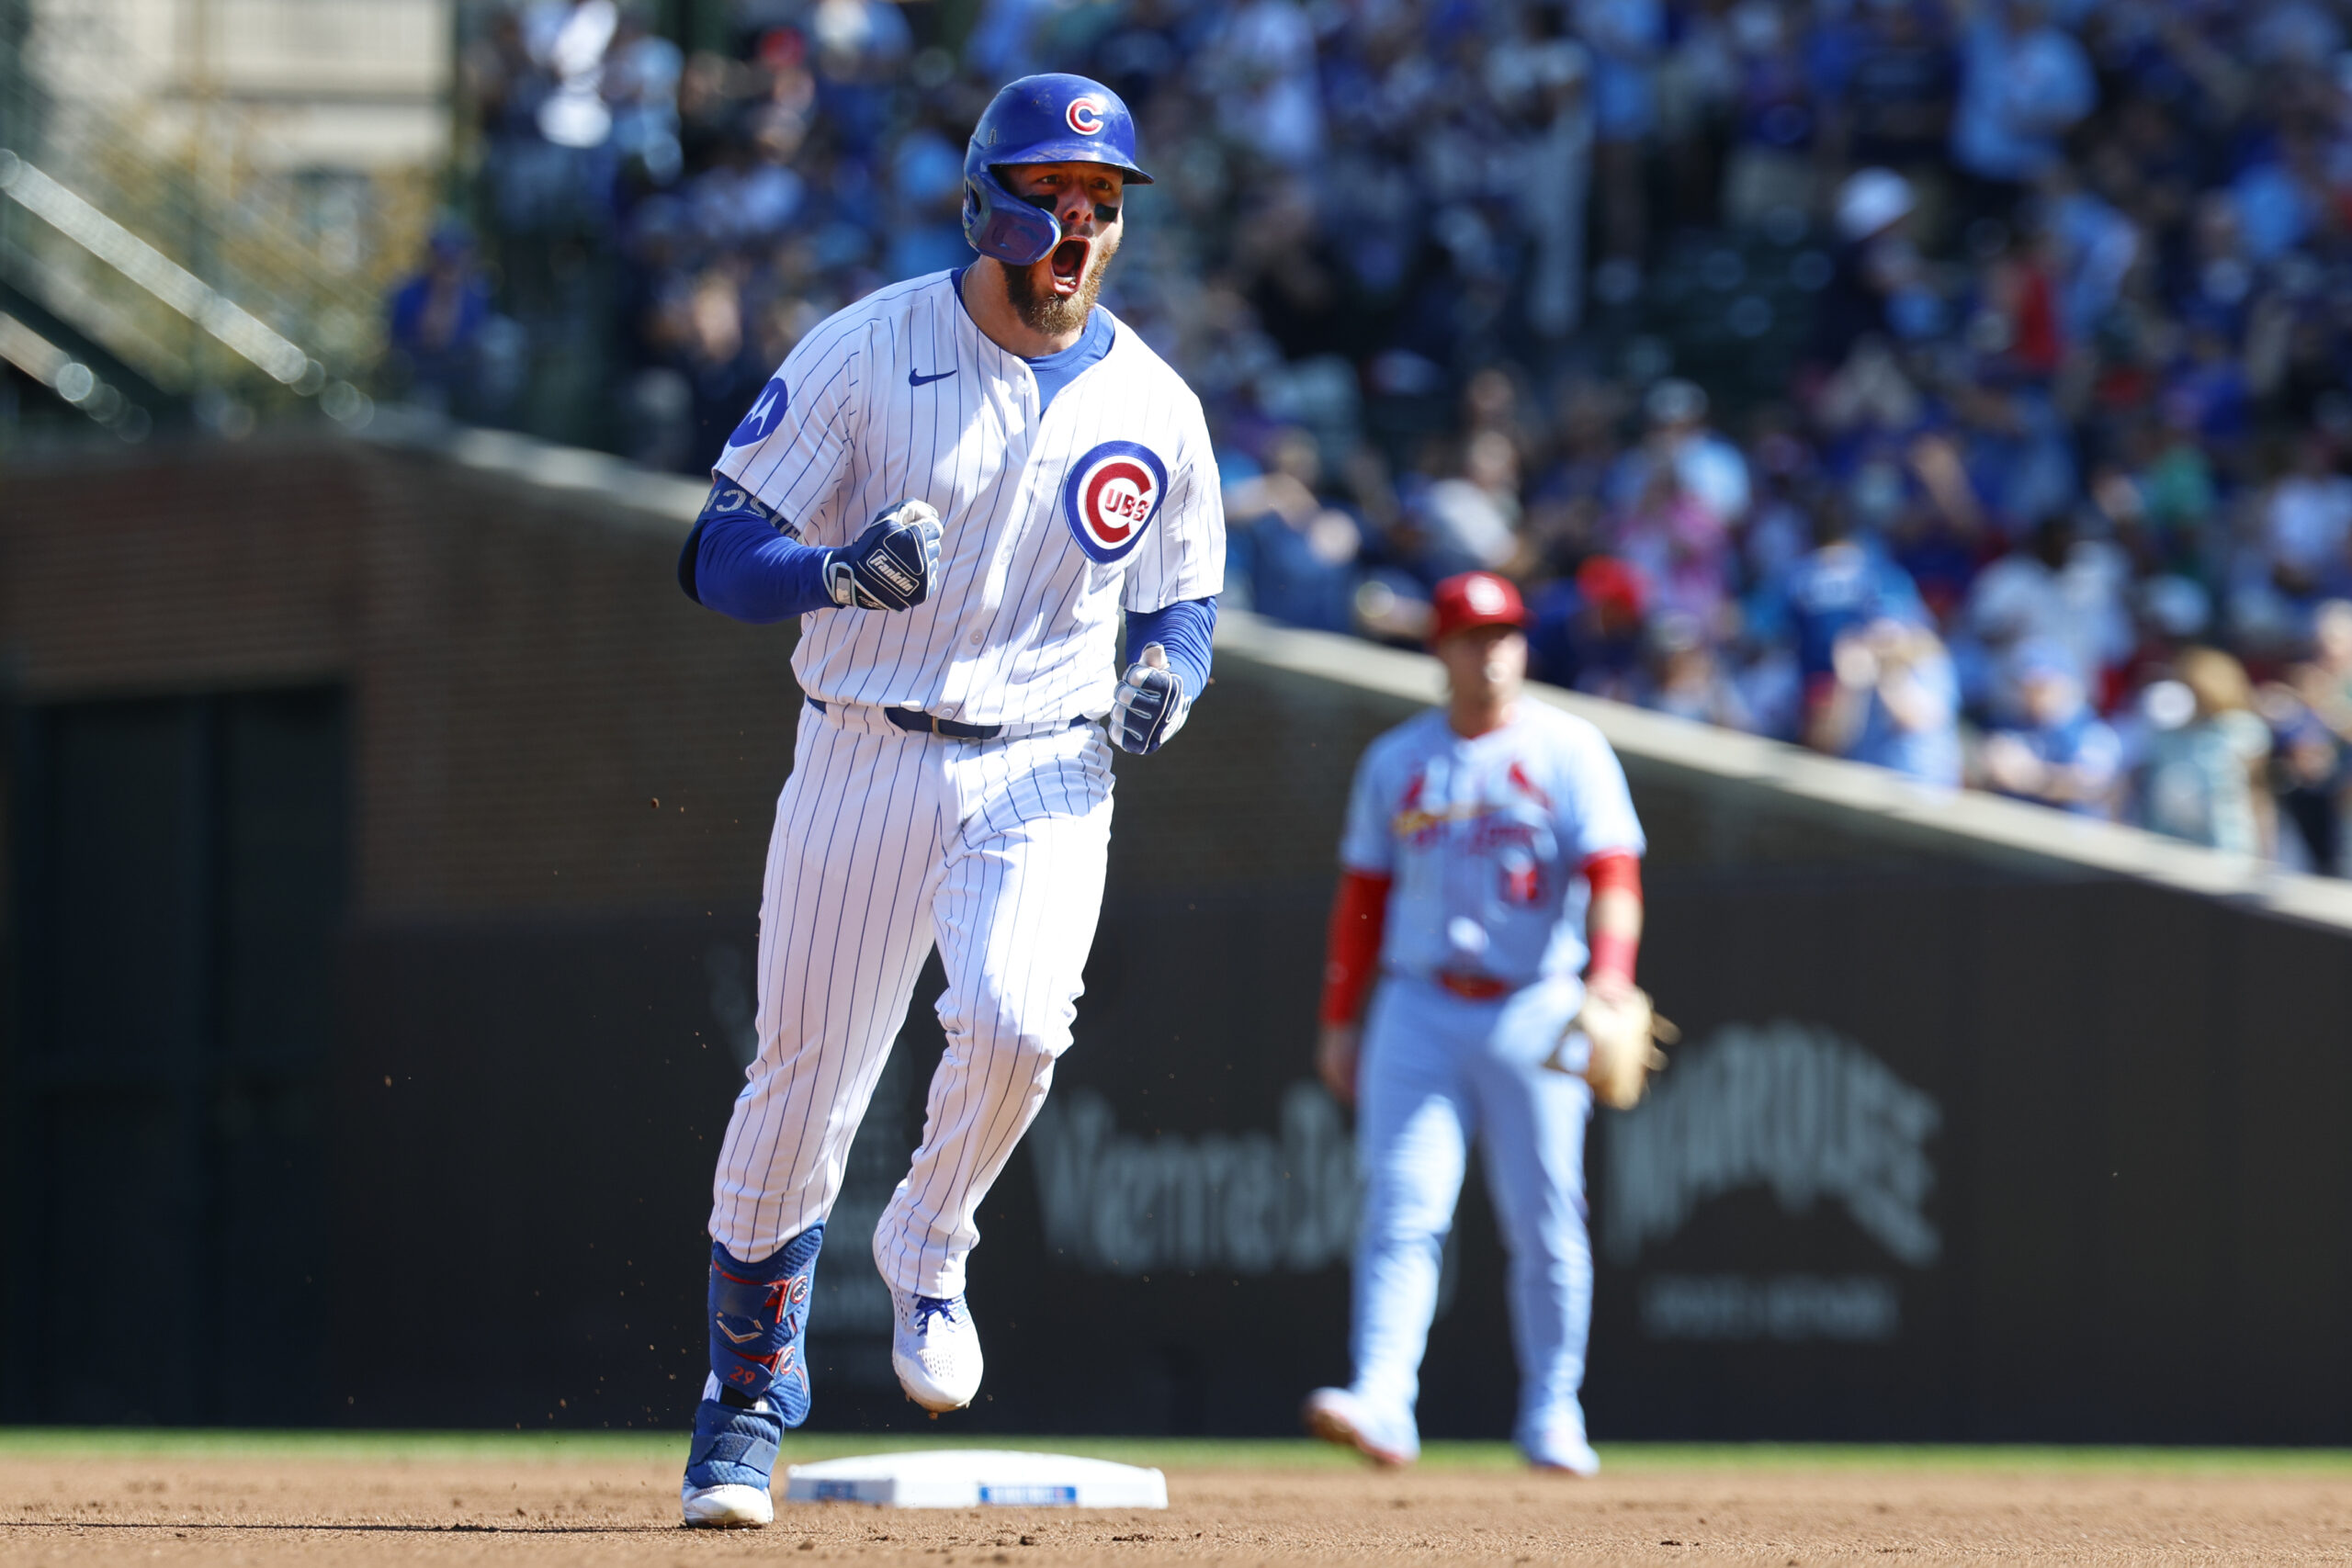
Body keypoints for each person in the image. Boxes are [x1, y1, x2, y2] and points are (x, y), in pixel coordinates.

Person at [669, 73, 1224, 1529]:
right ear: (984, 203)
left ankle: (929, 1239)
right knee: (804, 1086)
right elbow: (718, 555)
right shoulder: (869, 346)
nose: (1078, 229)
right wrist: (835, 570)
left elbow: (1184, 603)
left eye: (1100, 205)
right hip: (865, 738)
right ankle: (745, 1408)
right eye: (1050, 197)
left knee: (1022, 1021)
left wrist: (1169, 678)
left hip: (1049, 751)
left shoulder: (1155, 402)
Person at [1303, 570, 1646, 1475]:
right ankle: (1382, 1400)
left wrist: (1609, 981)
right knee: (1401, 1209)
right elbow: (1361, 900)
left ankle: (1552, 1412)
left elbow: (1614, 873)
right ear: (1441, 650)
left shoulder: (1571, 749)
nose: (1490, 651)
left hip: (1536, 1002)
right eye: (1471, 636)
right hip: (1416, 1005)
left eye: (1505, 635)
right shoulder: (1396, 760)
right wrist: (1341, 1019)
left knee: (1544, 1222)